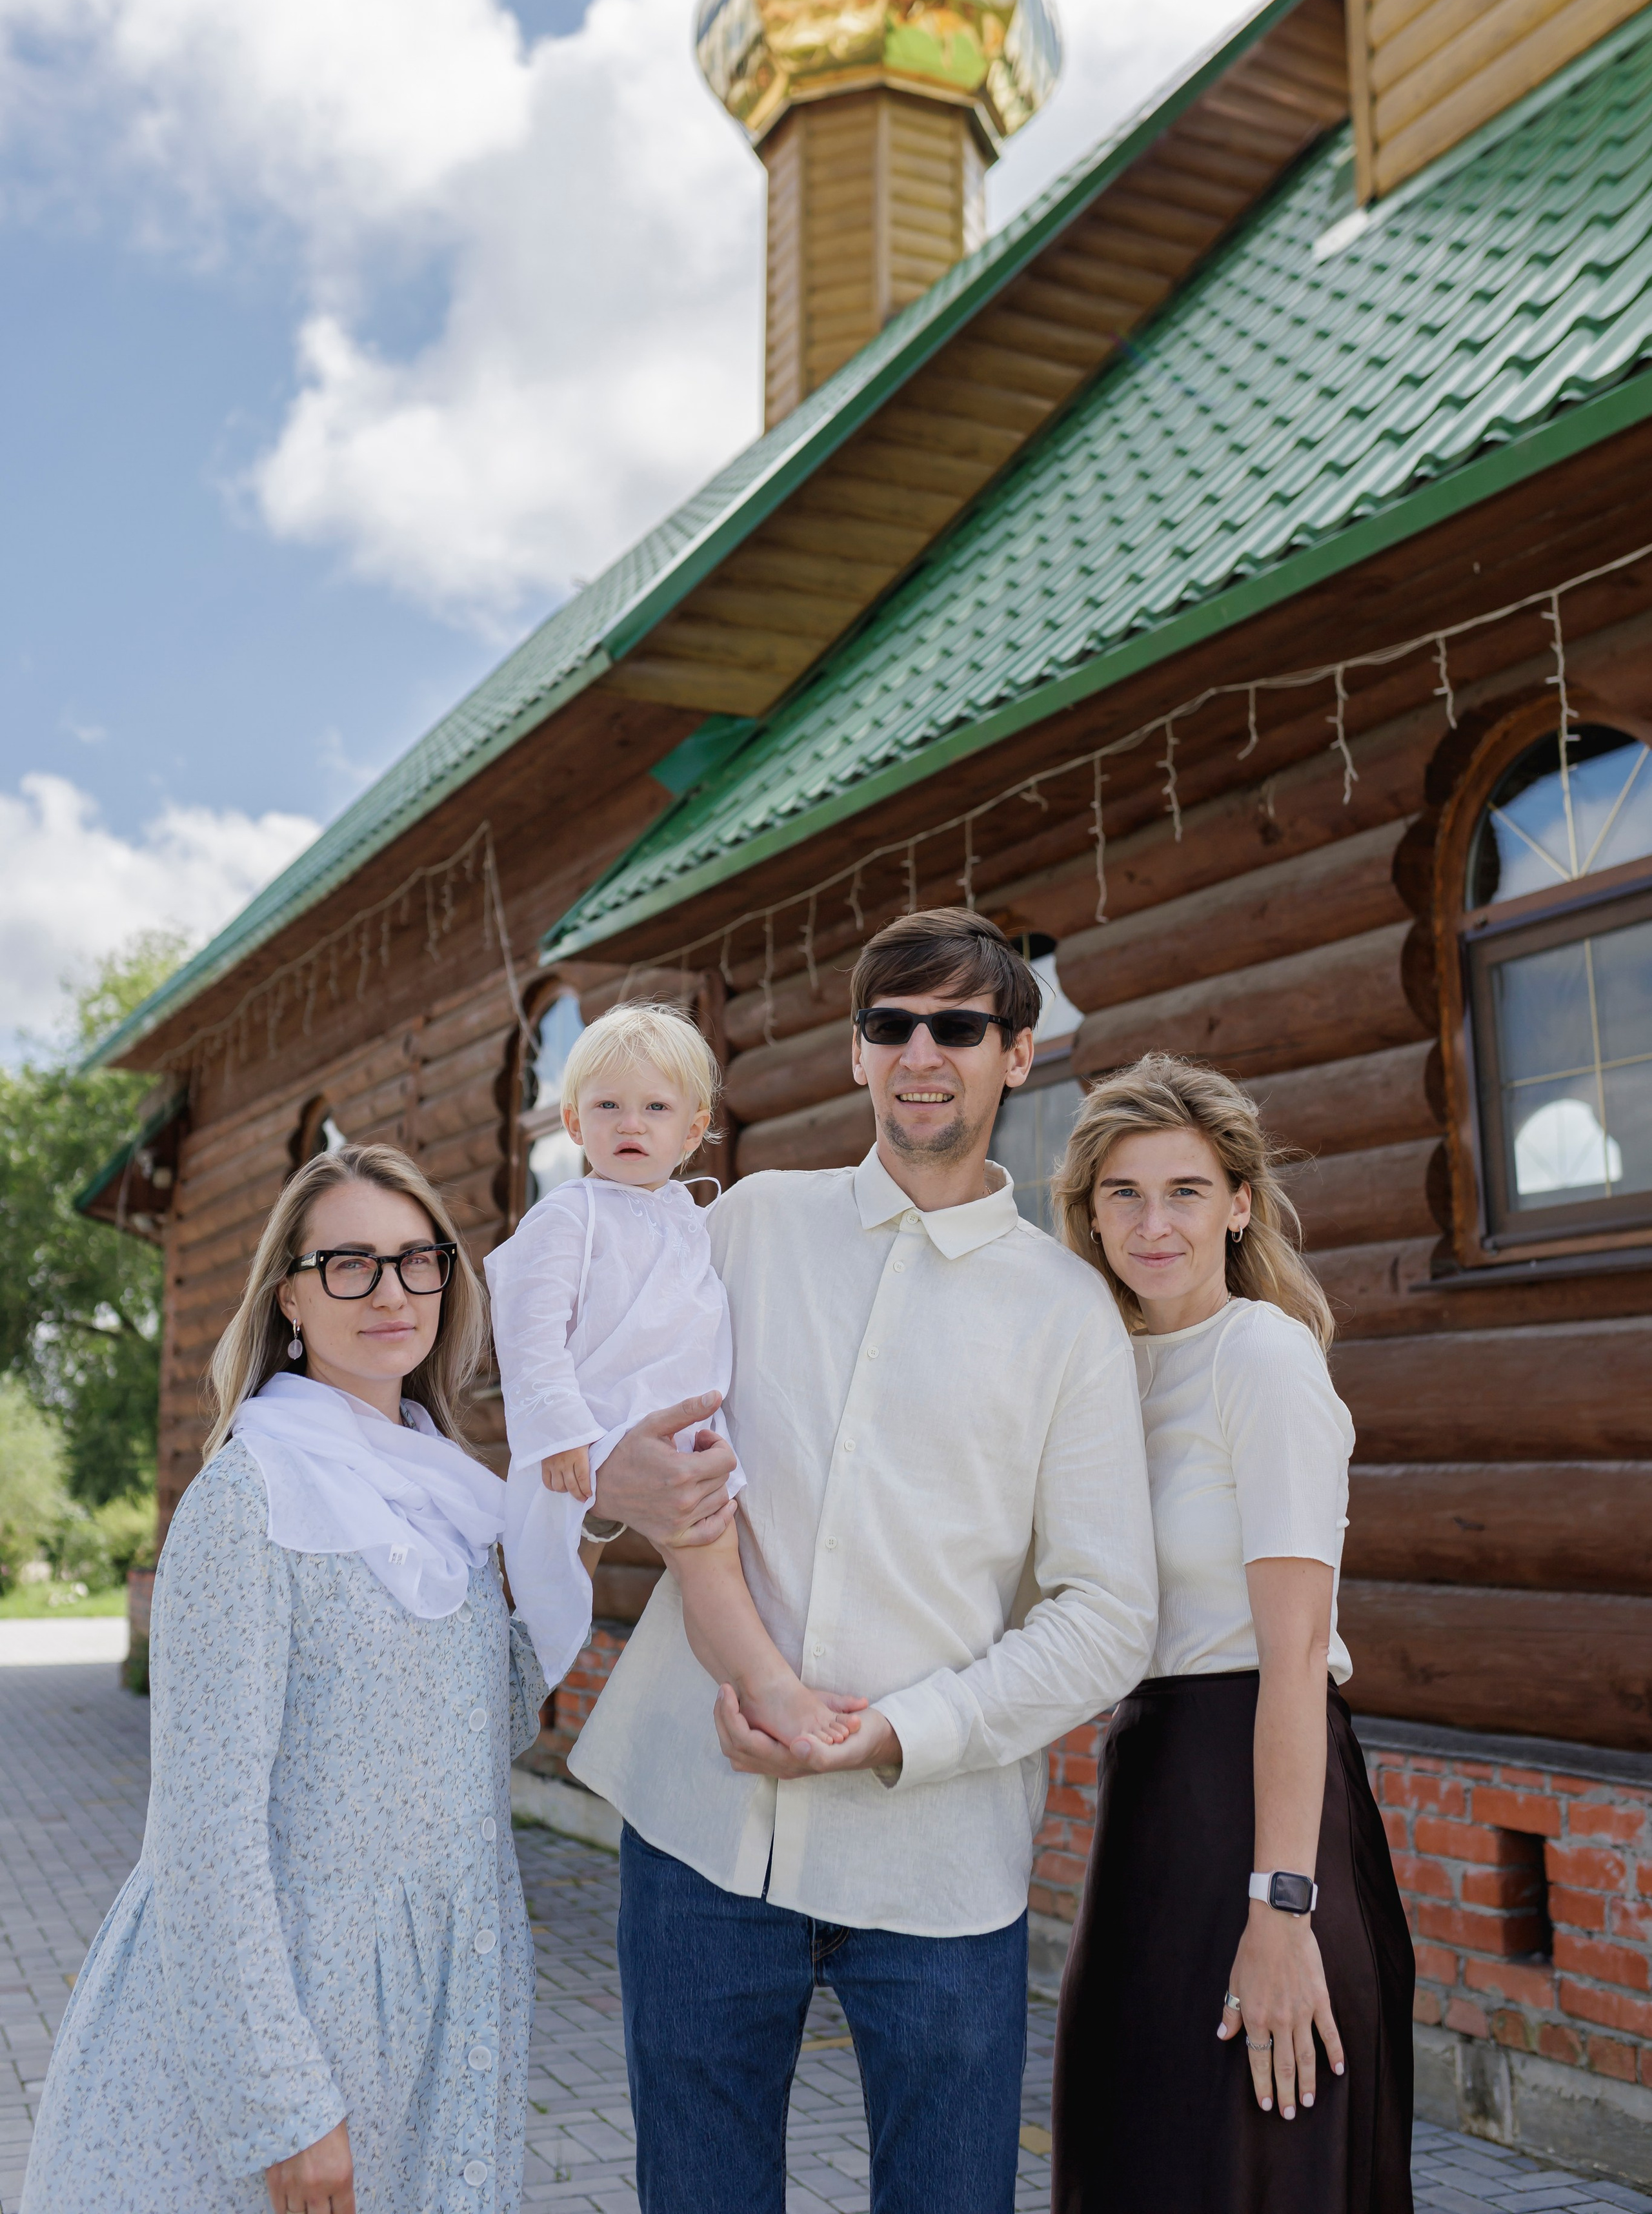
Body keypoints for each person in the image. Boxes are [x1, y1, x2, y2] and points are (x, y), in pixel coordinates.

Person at [567, 908, 1159, 2214]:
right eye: (890, 1026)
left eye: (957, 1026)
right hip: (699, 1827)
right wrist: (616, 1477)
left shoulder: (1066, 1313)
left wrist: (894, 1731)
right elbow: (588, 1414)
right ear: (854, 1056)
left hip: (934, 1856)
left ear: (1016, 1053)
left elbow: (1108, 1613)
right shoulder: (742, 1227)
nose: (920, 1053)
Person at [21, 1143, 547, 2214]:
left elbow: (496, 1736)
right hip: (291, 2020)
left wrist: (575, 1532)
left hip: (441, 2007)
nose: (392, 1291)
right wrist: (282, 2104)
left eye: (418, 1260)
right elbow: (201, 1840)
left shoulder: (455, 1496)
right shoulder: (248, 1500)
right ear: (291, 1298)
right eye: (348, 1263)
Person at [1048, 1053, 1414, 2214]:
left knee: (1254, 2158)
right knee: (1135, 2147)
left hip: (1258, 1791)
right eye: (1123, 1193)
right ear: (1088, 1212)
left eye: (1186, 1190)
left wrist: (1280, 1909)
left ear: (1240, 1203)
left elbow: (1296, 1657)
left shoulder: (1261, 1357)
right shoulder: (1095, 1370)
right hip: (1149, 1785)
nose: (1153, 1223)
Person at [486, 1000, 863, 1748]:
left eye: (655, 1108)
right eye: (608, 1107)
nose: (631, 1125)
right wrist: (563, 1433)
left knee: (711, 1563)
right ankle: (764, 1689)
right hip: (602, 1421)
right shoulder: (570, 1216)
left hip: (688, 1427)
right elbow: (528, 1331)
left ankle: (755, 1692)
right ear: (572, 1123)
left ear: (691, 1131)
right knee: (621, 1563)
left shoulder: (692, 1218)